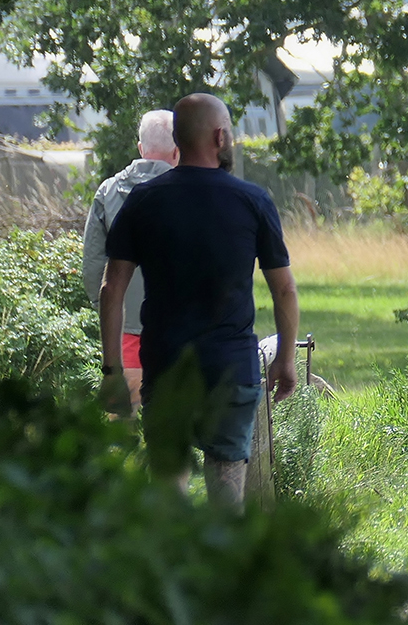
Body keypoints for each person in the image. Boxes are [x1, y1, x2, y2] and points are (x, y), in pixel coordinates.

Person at [98, 93, 299, 511]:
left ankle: (171, 573)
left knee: (168, 499)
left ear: (177, 140)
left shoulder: (144, 201)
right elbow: (284, 290)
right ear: (220, 136)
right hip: (232, 372)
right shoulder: (253, 201)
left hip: (167, 369)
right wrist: (285, 359)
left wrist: (113, 371)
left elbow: (111, 290)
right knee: (227, 503)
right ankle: (224, 575)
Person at [82, 110, 179, 413]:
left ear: (140, 148)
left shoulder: (108, 192)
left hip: (122, 336)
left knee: (121, 439)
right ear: (178, 151)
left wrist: (109, 315)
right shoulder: (193, 194)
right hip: (176, 335)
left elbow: (92, 268)